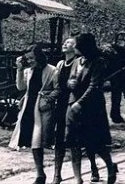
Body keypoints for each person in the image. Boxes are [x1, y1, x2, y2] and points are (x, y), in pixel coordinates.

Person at [66, 33, 118, 184]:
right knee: (74, 142)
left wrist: (80, 103)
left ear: (84, 46)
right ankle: (78, 179)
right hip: (73, 105)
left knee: (94, 142)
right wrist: (71, 83)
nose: (74, 46)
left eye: (76, 44)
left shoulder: (99, 62)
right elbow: (70, 78)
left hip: (91, 108)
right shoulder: (77, 61)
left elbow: (94, 86)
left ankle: (110, 165)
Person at [9, 45, 58, 184]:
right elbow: (21, 87)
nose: (29, 61)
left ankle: (50, 174)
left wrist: (48, 99)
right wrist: (19, 70)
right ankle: (40, 173)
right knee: (33, 141)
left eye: (32, 58)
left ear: (39, 57)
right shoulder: (28, 71)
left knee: (40, 141)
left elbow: (58, 89)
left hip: (43, 108)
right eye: (27, 59)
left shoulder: (52, 70)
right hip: (29, 108)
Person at [51, 37, 84, 184]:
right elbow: (57, 86)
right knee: (59, 139)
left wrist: (74, 84)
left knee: (73, 139)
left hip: (73, 104)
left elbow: (82, 83)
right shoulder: (59, 64)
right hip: (61, 104)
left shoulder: (79, 62)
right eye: (64, 42)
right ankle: (57, 175)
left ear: (75, 47)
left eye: (69, 42)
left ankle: (78, 177)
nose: (65, 44)